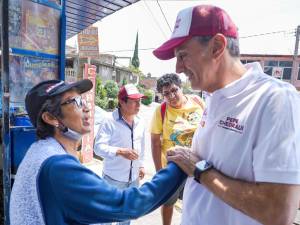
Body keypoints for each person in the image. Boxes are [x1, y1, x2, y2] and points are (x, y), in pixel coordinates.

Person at [153, 4, 300, 225]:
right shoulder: (212, 97)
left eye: (182, 55)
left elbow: (277, 211)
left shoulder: (274, 99)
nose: (178, 68)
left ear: (217, 46)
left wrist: (200, 170)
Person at [9, 79, 187, 225]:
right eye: (75, 102)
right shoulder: (57, 166)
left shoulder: (41, 152)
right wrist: (179, 166)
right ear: (50, 118)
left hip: (131, 176)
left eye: (83, 99)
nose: (86, 108)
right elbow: (128, 204)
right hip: (114, 177)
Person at [150, 73, 204, 225]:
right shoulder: (161, 110)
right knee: (168, 202)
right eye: (166, 93)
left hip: (196, 165)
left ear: (181, 88)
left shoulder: (197, 101)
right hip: (172, 168)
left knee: (194, 203)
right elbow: (155, 142)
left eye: (174, 90)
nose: (172, 96)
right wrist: (159, 171)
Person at [94, 84, 146, 225]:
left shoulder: (140, 122)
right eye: (134, 101)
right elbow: (98, 148)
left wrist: (141, 165)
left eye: (139, 101)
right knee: (107, 215)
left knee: (126, 216)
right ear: (122, 102)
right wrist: (120, 151)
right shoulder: (109, 120)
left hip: (133, 180)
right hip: (113, 179)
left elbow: (142, 146)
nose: (138, 105)